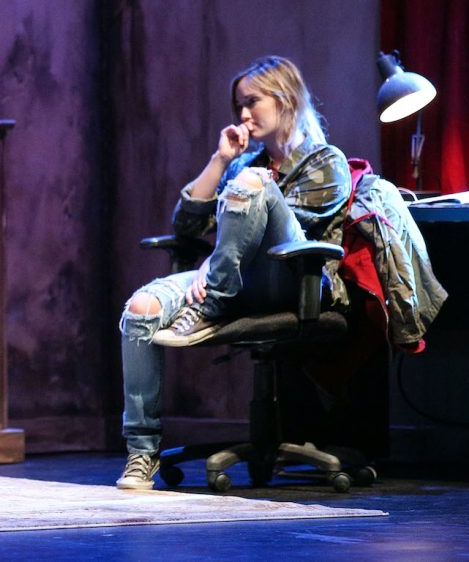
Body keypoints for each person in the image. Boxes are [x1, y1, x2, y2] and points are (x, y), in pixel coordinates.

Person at [116, 56, 352, 490]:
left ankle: (211, 303)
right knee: (139, 309)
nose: (242, 115)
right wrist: (220, 161)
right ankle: (142, 451)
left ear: (286, 99)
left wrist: (218, 257)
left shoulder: (325, 161)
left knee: (256, 186)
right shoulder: (244, 166)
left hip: (290, 281)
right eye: (238, 106)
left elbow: (287, 235)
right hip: (234, 277)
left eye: (252, 102)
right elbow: (186, 228)